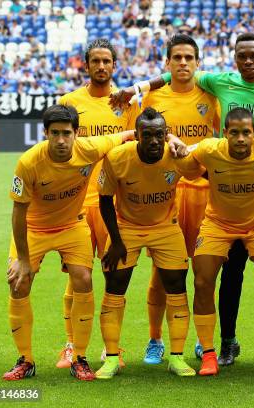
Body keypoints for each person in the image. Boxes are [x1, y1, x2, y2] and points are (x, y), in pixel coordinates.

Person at [111, 32, 254, 365]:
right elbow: (177, 75)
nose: (249, 61)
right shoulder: (217, 83)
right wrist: (139, 88)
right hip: (192, 184)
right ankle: (209, 341)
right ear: (234, 57)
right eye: (243, 56)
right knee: (196, 268)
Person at [3, 105, 133, 381]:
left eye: (66, 133)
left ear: (76, 133)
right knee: (19, 282)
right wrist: (23, 260)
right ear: (45, 134)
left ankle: (80, 358)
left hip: (72, 225)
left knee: (83, 278)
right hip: (33, 229)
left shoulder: (89, 148)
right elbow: (18, 213)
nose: (61, 140)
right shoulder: (29, 162)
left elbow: (128, 134)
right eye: (54, 134)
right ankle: (25, 360)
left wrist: (173, 140)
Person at [177, 108, 254, 377]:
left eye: (246, 133)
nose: (240, 138)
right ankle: (209, 354)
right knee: (202, 281)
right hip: (218, 224)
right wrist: (177, 152)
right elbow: (189, 170)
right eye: (234, 133)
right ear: (224, 133)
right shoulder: (209, 150)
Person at [95, 107, 198, 379]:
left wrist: (185, 148)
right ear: (137, 135)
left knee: (176, 286)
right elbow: (105, 199)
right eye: (147, 135)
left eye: (159, 135)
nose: (154, 140)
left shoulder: (175, 156)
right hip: (126, 228)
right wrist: (115, 241)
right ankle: (112, 358)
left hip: (166, 227)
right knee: (115, 285)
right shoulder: (117, 157)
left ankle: (176, 357)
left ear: (166, 135)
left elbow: (206, 172)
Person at [138, 34, 219, 365]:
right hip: (168, 194)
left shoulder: (212, 97)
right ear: (167, 64)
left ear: (198, 63)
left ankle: (203, 340)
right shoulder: (152, 98)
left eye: (189, 57)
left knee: (204, 272)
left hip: (204, 193)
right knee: (162, 271)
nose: (183, 62)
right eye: (177, 58)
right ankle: (155, 339)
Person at [57, 39, 138, 369]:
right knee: (77, 276)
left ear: (115, 66)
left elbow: (134, 145)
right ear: (86, 65)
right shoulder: (69, 102)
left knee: (114, 274)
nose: (101, 66)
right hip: (76, 201)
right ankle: (70, 345)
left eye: (107, 61)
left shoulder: (126, 101)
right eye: (96, 61)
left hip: (112, 203)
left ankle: (111, 348)